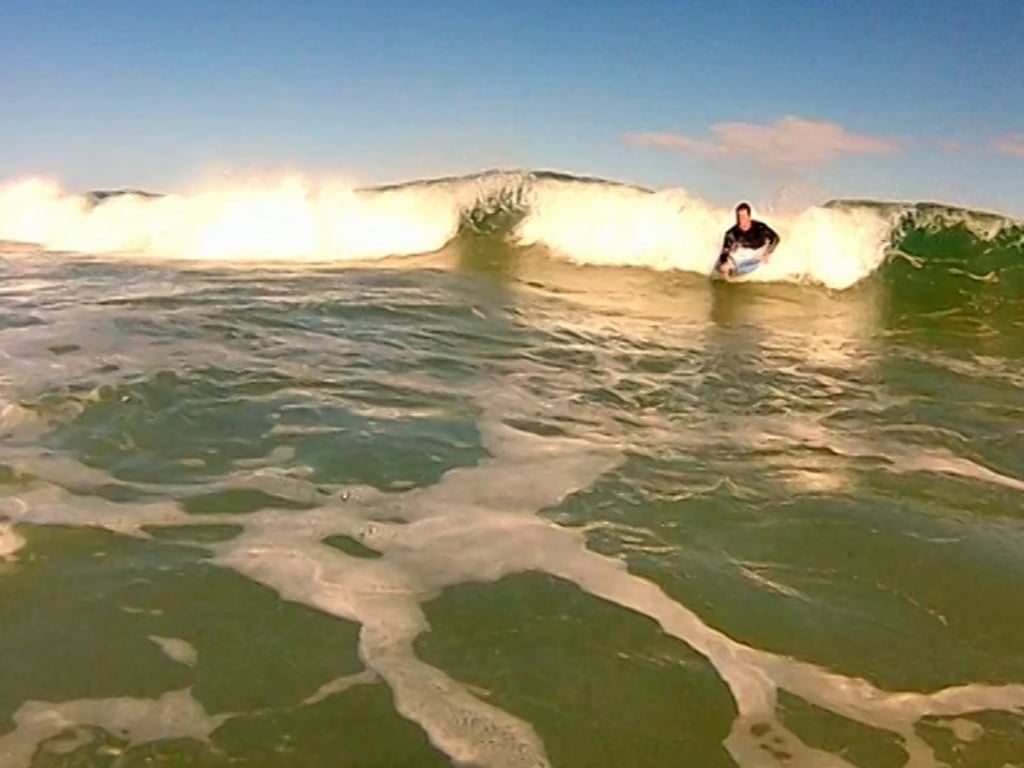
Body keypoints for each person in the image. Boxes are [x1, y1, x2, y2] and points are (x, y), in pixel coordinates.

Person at [715, 202, 780, 275]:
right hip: (743, 253)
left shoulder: (760, 228)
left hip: (759, 252)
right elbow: (725, 251)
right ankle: (730, 269)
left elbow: (775, 238)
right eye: (739, 217)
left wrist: (768, 252)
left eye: (743, 217)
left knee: (762, 261)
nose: (741, 220)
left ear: (749, 216)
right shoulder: (732, 233)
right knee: (724, 264)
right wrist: (724, 262)